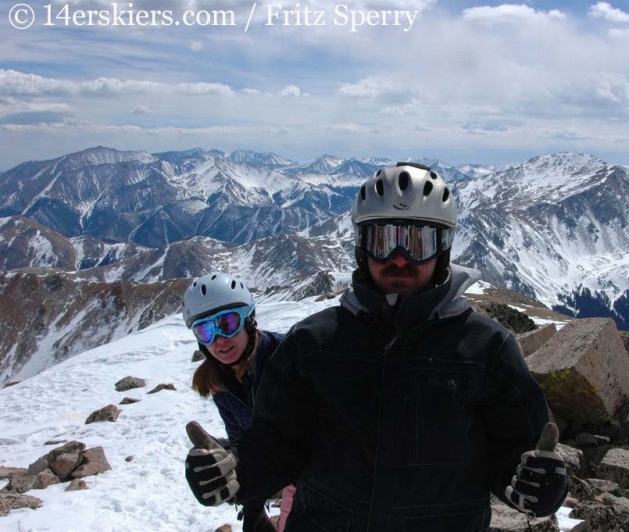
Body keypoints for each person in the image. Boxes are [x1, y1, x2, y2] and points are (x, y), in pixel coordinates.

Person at [185, 163, 569, 531]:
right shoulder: (313, 344)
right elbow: (275, 445)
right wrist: (235, 471)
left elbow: (519, 452)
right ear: (362, 247)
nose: (398, 259)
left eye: (417, 242)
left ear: (443, 249)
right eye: (384, 241)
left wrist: (537, 485)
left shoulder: (487, 349)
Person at [183, 272, 294, 532]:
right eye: (206, 330)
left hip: (317, 477)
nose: (219, 340)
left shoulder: (286, 358)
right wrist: (250, 506)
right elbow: (244, 441)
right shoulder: (219, 382)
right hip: (280, 473)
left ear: (249, 320)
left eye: (228, 323)